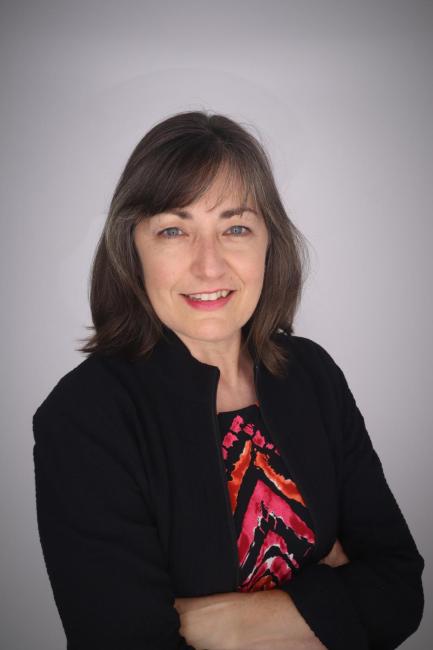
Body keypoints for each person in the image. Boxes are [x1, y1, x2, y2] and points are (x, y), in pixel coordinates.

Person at [32, 110, 424, 650]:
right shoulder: (85, 416)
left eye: (235, 227)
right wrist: (332, 590)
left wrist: (214, 623)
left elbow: (399, 590)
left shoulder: (312, 374)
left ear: (269, 242)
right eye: (174, 230)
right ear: (133, 249)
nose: (209, 266)